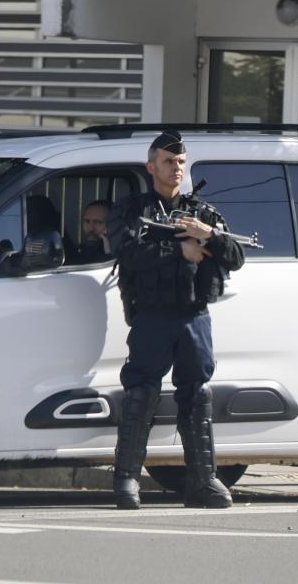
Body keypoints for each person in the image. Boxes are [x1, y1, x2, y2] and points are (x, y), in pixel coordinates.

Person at [111, 131, 245, 510]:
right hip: (153, 316)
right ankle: (126, 480)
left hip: (193, 317)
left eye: (181, 162)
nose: (176, 168)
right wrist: (179, 248)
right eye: (169, 162)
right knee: (141, 394)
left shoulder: (202, 212)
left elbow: (235, 256)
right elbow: (126, 249)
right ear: (151, 166)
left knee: (197, 395)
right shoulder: (133, 208)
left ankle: (203, 481)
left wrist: (210, 237)